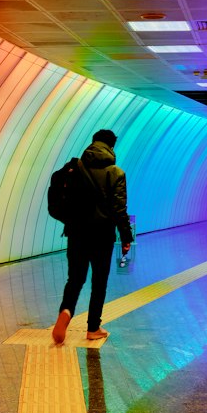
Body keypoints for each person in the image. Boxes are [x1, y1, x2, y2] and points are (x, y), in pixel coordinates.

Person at [52, 128, 133, 346]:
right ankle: (93, 328)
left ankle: (66, 311)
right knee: (99, 282)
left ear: (93, 142)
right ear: (111, 146)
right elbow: (119, 209)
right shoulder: (116, 173)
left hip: (76, 233)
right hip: (102, 236)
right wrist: (126, 237)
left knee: (75, 279)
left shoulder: (74, 168)